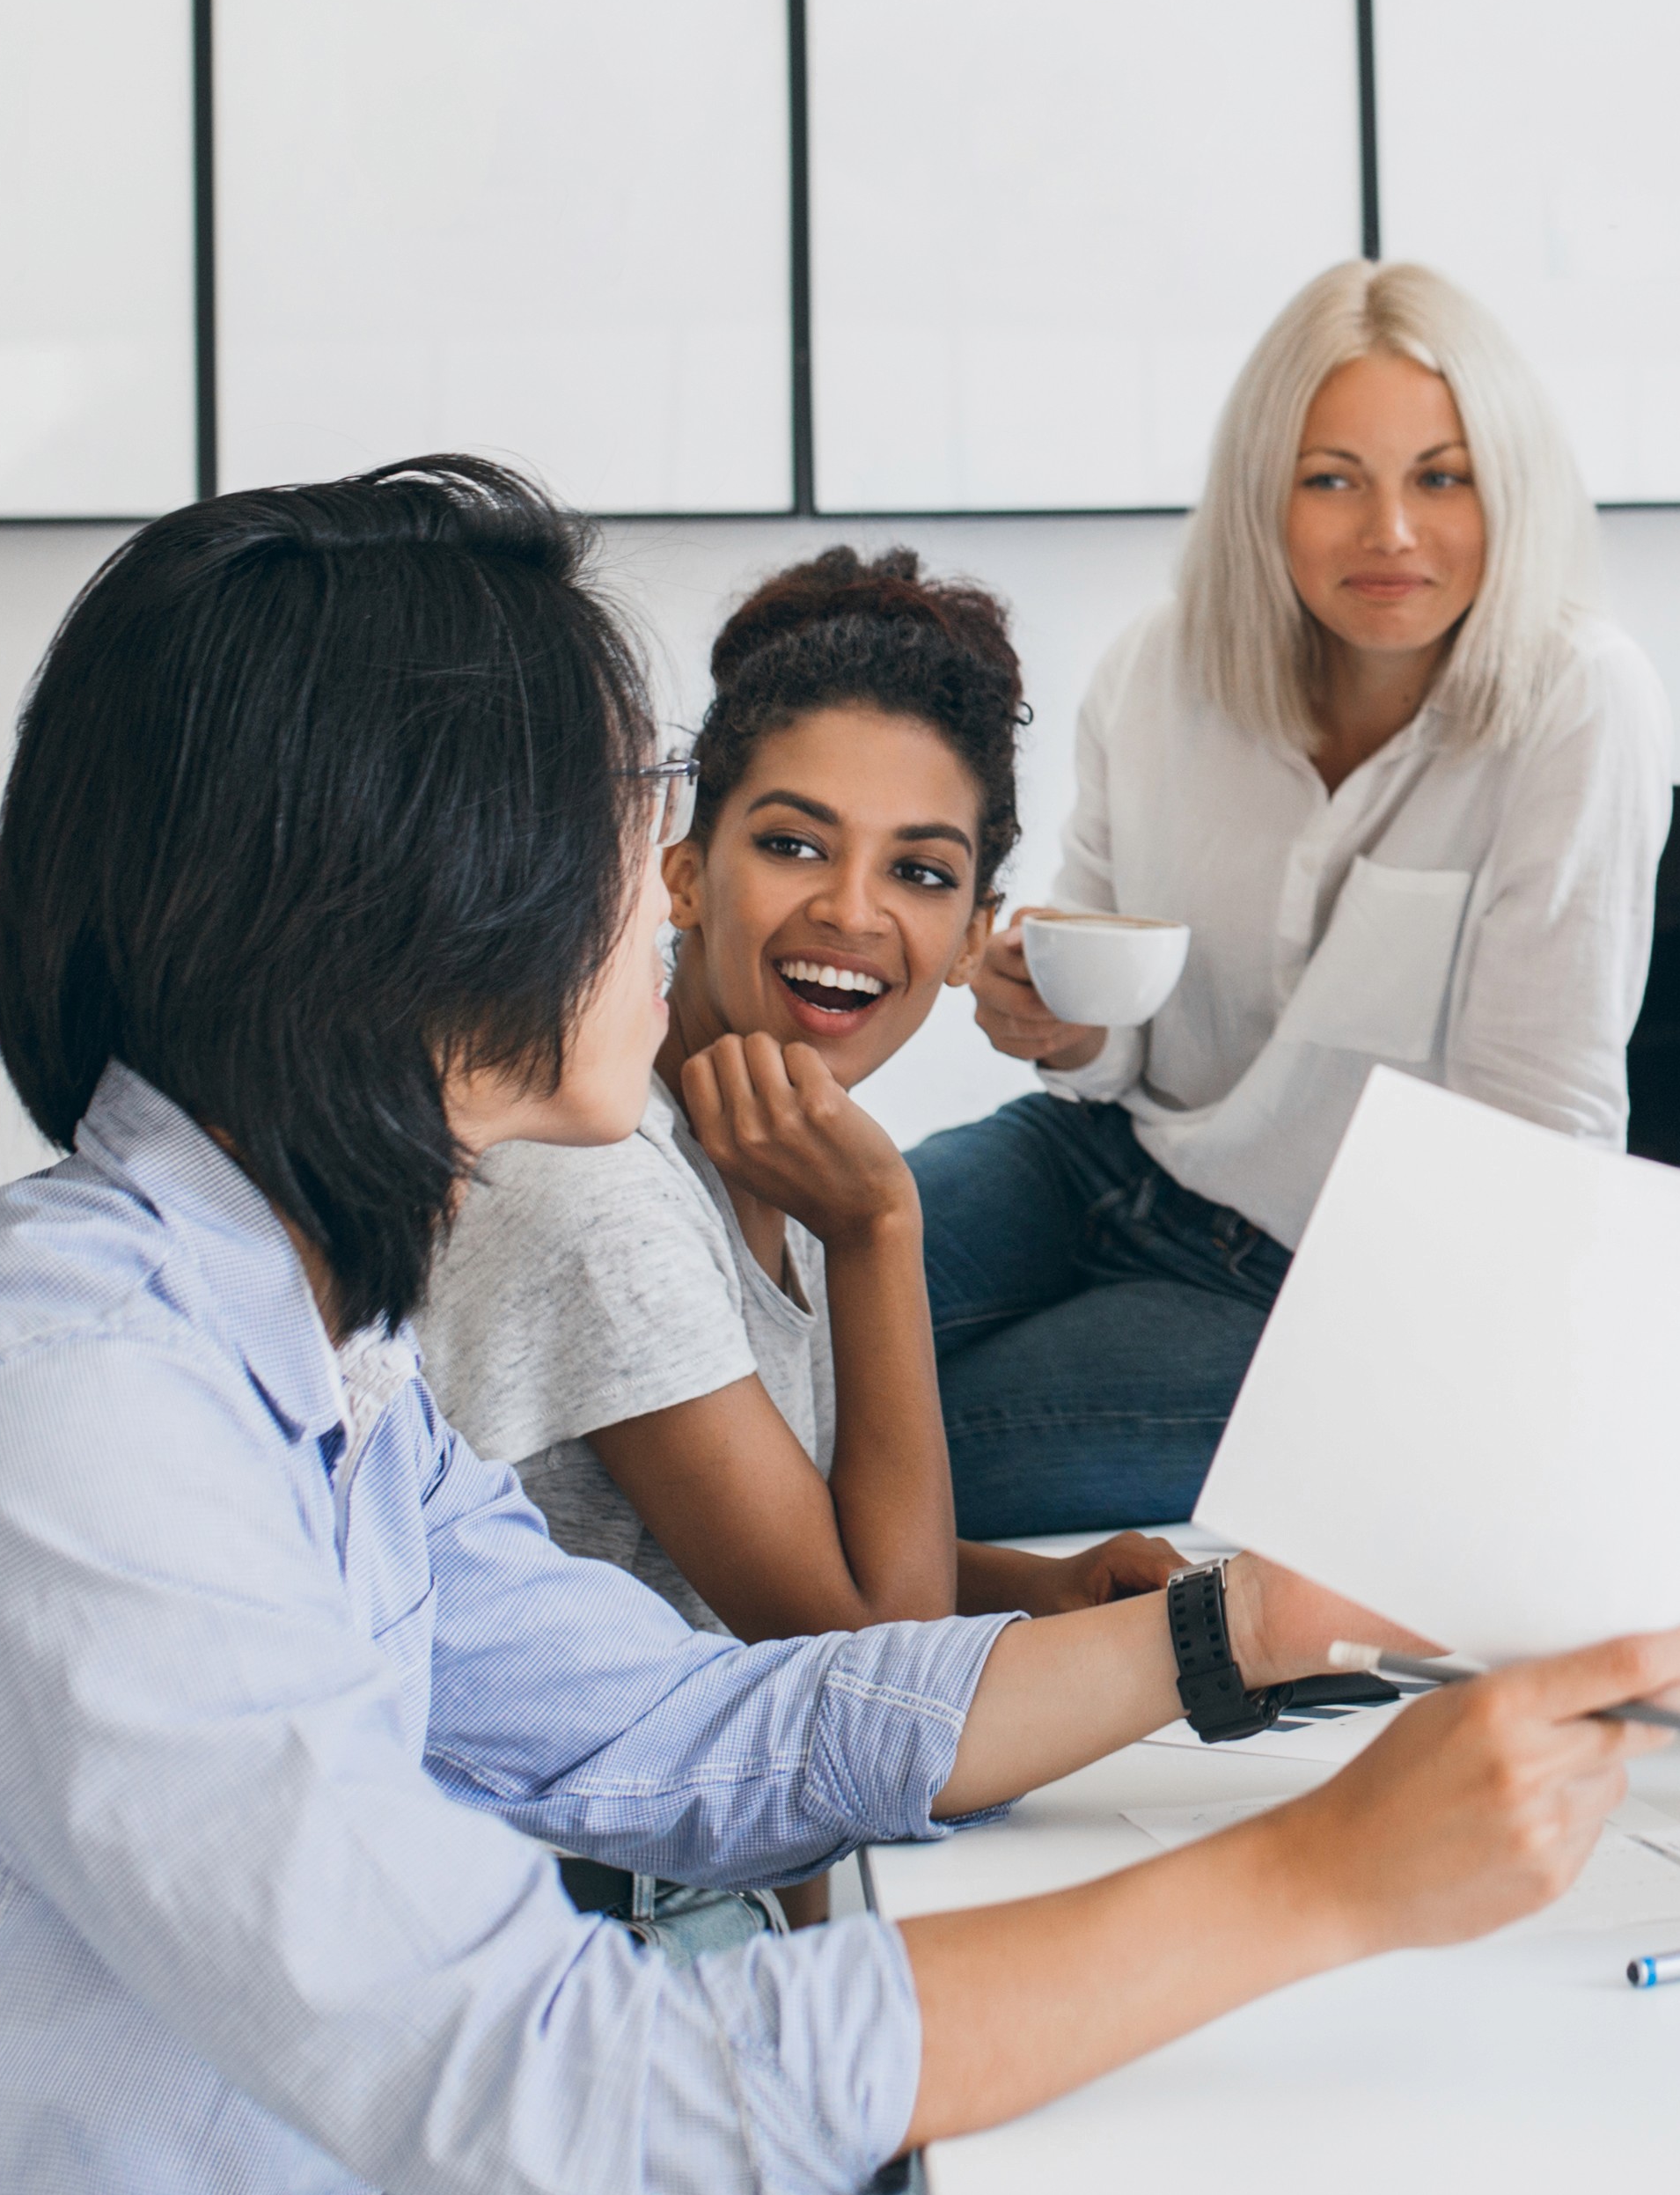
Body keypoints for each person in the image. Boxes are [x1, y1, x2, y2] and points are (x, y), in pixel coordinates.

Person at [0, 457, 1680, 2195]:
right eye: (631, 808)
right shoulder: (71, 1428)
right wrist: (1317, 1880)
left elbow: (677, 1728)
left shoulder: (290, 1346)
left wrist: (1228, 1635)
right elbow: (552, 2101)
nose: (662, 877)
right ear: (414, 889)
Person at [419, 548, 1179, 1910]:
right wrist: (881, 1229)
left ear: (969, 942)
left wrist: (1042, 1597)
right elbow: (875, 1685)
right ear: (685, 876)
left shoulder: (767, 1141)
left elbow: (798, 1547)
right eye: (792, 844)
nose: (851, 911)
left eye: (922, 872)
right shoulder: (609, 1186)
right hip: (534, 1938)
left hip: (670, 1871)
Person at [926, 260, 1671, 1535]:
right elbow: (1108, 1044)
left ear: (1508, 488)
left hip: (1322, 1296)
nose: (1390, 532)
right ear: (1263, 493)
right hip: (1102, 1159)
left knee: (893, 1448)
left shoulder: (1576, 702)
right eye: (1333, 479)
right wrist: (1058, 1021)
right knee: (758, 1308)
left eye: (1441, 477)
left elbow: (1537, 1134)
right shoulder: (1157, 671)